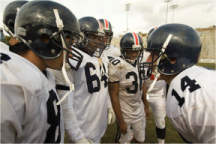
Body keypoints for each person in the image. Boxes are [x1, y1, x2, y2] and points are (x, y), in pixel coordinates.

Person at [1, 1, 83, 143]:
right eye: (68, 44)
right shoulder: (9, 82)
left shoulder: (43, 72)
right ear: (45, 39)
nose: (71, 53)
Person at [143, 23, 215, 143]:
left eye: (153, 55)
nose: (148, 59)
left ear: (172, 60)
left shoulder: (188, 98)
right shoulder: (196, 75)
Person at [50, 16, 115, 143]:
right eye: (94, 37)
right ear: (81, 36)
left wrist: (108, 106)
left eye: (100, 38)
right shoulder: (69, 57)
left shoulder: (102, 55)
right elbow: (66, 106)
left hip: (98, 123)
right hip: (82, 127)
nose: (99, 42)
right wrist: (78, 137)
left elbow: (103, 85)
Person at [108, 32, 150, 143]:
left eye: (137, 51)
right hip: (124, 111)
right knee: (122, 140)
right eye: (131, 50)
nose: (135, 54)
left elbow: (142, 85)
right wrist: (121, 120)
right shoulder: (116, 64)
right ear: (123, 49)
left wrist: (146, 106)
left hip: (139, 109)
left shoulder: (141, 63)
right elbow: (114, 95)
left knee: (140, 139)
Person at [142, 27, 167, 144]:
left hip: (158, 94)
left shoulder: (167, 57)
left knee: (161, 122)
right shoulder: (142, 55)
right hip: (143, 92)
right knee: (136, 119)